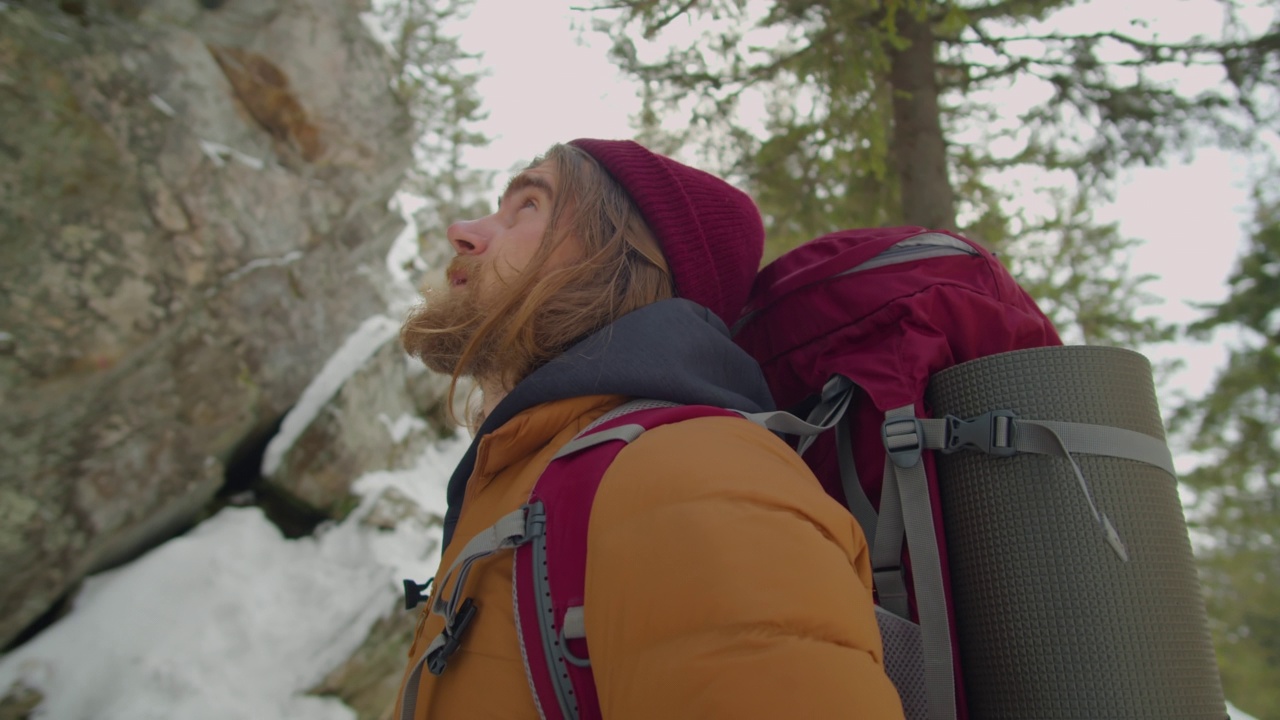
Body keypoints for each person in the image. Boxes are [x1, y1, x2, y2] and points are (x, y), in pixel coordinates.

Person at [395, 138, 904, 718]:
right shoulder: (544, 467)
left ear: (619, 263)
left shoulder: (693, 472)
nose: (463, 230)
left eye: (529, 206)